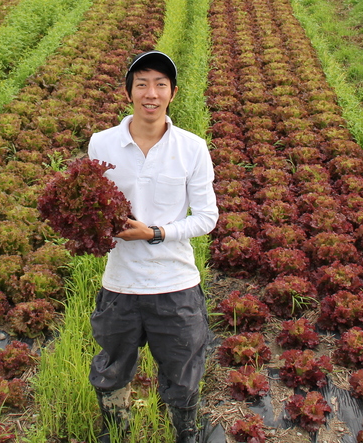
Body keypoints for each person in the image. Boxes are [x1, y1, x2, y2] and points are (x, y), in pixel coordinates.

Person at [87, 51, 219, 443]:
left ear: (172, 93)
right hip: (120, 285)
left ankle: (187, 434)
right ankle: (116, 431)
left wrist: (155, 233)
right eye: (142, 83)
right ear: (128, 92)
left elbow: (206, 218)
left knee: (183, 372)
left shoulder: (192, 148)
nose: (151, 93)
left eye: (160, 84)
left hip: (175, 284)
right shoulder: (102, 144)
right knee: (111, 370)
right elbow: (91, 205)